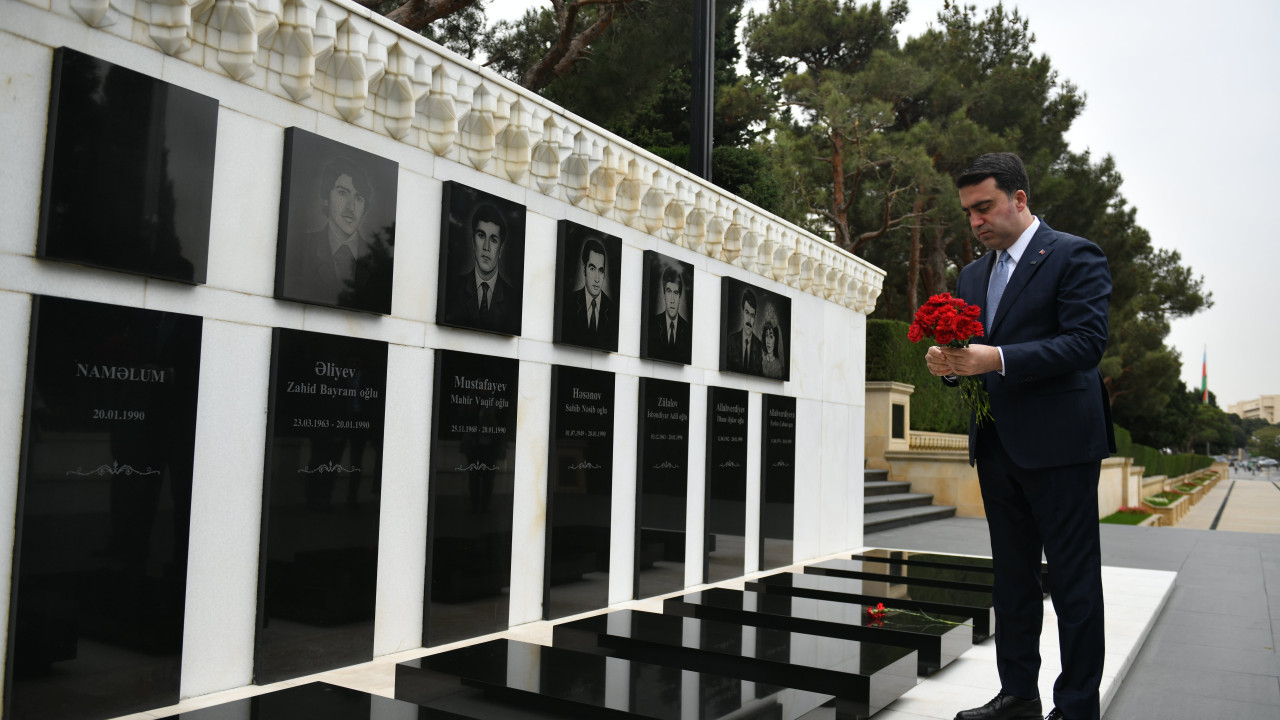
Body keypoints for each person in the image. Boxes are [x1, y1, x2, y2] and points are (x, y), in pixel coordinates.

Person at [925, 152, 1114, 720]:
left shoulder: (1074, 254)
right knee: (1012, 583)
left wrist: (997, 357)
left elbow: (1086, 344)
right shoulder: (972, 275)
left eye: (984, 207)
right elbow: (975, 357)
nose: (975, 221)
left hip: (1060, 447)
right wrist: (951, 363)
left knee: (1075, 587)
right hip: (997, 447)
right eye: (968, 212)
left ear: (1020, 199)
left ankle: (1077, 707)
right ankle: (1017, 698)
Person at [284, 157, 391, 312]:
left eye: (359, 198)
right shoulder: (299, 246)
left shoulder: (379, 260)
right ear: (326, 199)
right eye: (343, 193)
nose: (351, 207)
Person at [448, 202, 516, 333]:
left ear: (501, 249)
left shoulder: (513, 300)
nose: (486, 247)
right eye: (481, 235)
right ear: (473, 242)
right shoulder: (453, 290)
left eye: (493, 240)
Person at [560, 237, 614, 347]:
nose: (597, 278)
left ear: (604, 274)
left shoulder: (613, 310)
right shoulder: (568, 303)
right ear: (584, 270)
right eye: (592, 268)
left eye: (601, 270)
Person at [646, 265, 692, 362]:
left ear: (680, 298)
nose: (672, 300)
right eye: (668, 292)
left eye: (675, 293)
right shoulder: (652, 325)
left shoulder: (688, 330)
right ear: (664, 295)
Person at [725, 289, 763, 375]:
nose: (749, 320)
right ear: (742, 313)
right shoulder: (731, 341)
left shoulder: (760, 346)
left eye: (752, 315)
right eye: (747, 312)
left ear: (755, 318)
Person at [759, 306, 784, 379]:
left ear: (776, 340)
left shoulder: (778, 366)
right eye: (766, 336)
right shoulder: (762, 361)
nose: (768, 341)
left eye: (771, 336)